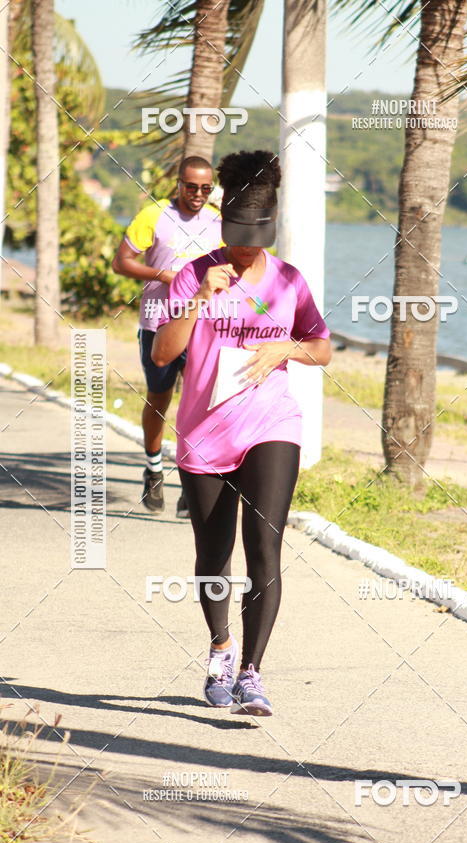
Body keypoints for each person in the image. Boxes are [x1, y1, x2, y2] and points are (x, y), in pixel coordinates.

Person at [151, 150, 332, 715]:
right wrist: (200, 299)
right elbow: (163, 352)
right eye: (236, 234)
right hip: (203, 430)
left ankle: (252, 672)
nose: (244, 247)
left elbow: (322, 348)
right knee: (213, 555)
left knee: (265, 548)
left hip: (269, 422)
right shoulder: (192, 273)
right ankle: (222, 648)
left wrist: (286, 347)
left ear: (269, 228)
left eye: (254, 237)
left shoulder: (288, 281)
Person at [112, 156, 222, 517]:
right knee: (159, 399)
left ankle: (190, 480)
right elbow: (122, 261)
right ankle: (154, 468)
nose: (198, 194)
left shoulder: (218, 219)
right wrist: (164, 276)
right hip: (158, 323)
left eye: (205, 188)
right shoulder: (155, 215)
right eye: (191, 187)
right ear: (178, 184)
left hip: (201, 326)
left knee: (198, 402)